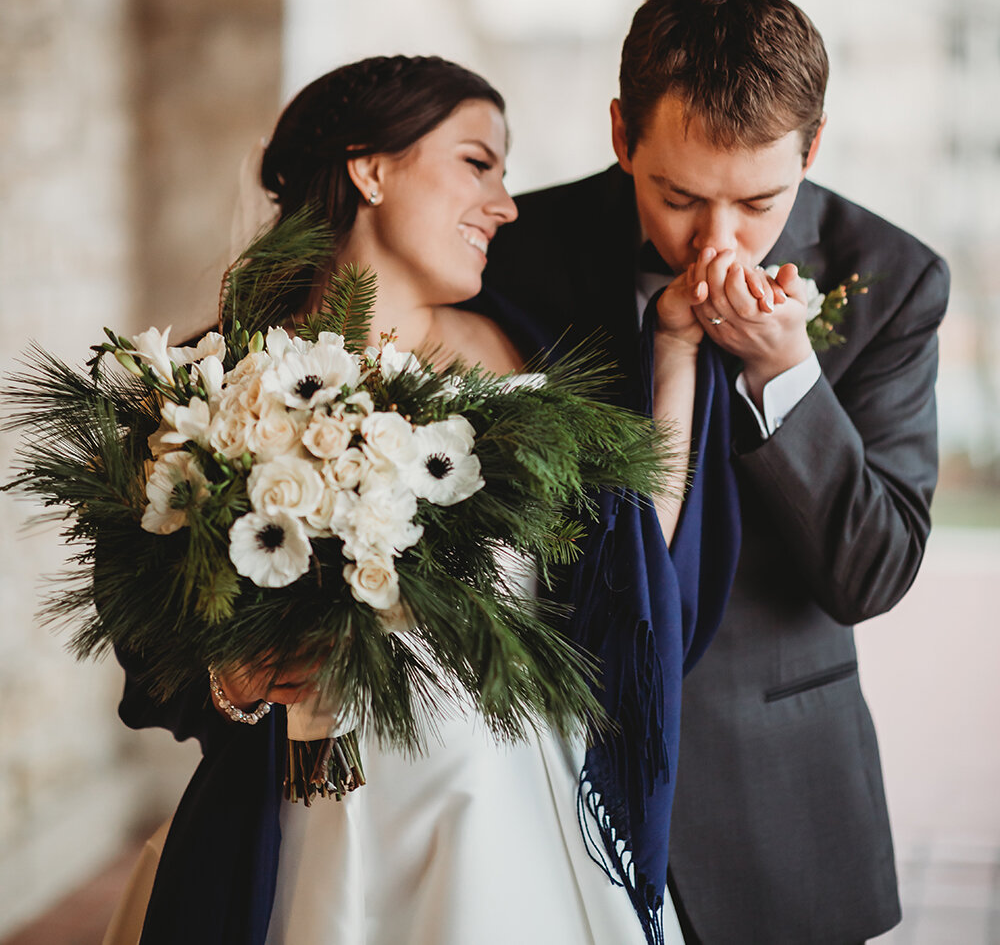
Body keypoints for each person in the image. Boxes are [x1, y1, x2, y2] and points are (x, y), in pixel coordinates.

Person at [104, 54, 735, 945]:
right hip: (305, 821)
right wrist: (231, 680)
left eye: (506, 174)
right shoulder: (216, 382)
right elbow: (142, 625)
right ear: (371, 168)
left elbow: (630, 573)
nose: (506, 204)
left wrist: (675, 354)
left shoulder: (531, 351)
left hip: (517, 815)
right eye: (478, 163)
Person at [485, 0, 949, 945]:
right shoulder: (511, 254)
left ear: (812, 150)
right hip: (530, 786)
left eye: (760, 201)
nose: (718, 243)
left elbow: (872, 571)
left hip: (775, 796)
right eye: (679, 197)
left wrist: (786, 371)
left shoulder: (897, 281)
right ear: (623, 136)